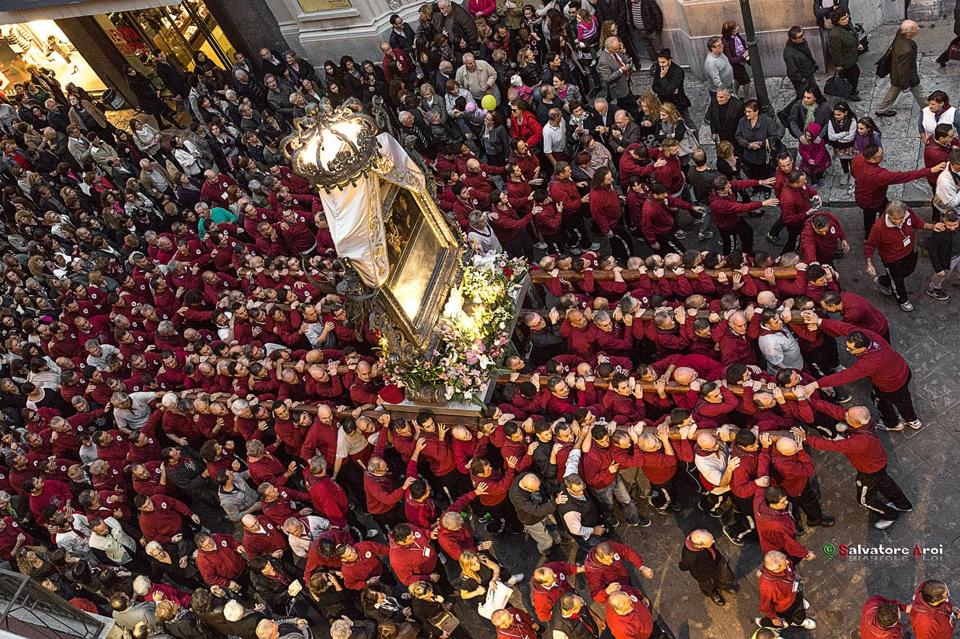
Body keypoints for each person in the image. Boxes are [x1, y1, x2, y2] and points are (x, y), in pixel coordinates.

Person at [864, 200, 943, 312]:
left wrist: (932, 226)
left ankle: (883, 281)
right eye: (894, 219)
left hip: (909, 251)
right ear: (888, 215)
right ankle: (903, 300)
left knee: (909, 270)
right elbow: (870, 245)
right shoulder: (878, 228)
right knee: (897, 281)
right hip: (891, 259)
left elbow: (916, 223)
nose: (898, 221)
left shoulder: (908, 213)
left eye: (901, 218)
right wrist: (869, 263)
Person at [851, 144, 942, 237]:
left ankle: (876, 228)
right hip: (872, 200)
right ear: (872, 159)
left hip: (864, 195)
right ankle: (871, 235)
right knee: (871, 217)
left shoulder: (858, 159)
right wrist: (930, 170)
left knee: (876, 212)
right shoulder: (879, 175)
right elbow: (903, 176)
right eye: (881, 155)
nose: (883, 155)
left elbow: (853, 173)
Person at [756, 551, 817, 630]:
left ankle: (765, 622)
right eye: (785, 562)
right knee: (796, 615)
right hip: (786, 606)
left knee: (798, 600)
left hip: (793, 593)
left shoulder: (783, 563)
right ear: (776, 570)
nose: (788, 561)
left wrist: (794, 575)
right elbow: (765, 606)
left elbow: (790, 569)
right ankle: (800, 622)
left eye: (785, 559)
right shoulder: (768, 587)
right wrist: (774, 618)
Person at [875, 20, 924, 117]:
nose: (918, 29)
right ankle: (929, 108)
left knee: (893, 91)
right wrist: (905, 86)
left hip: (896, 74)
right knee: (919, 92)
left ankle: (881, 110)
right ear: (909, 32)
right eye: (915, 28)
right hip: (907, 77)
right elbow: (903, 70)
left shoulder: (900, 34)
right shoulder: (907, 50)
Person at [678, 529, 736, 606]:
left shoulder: (702, 536)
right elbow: (683, 566)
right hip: (704, 573)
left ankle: (722, 585)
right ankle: (712, 593)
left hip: (717, 560)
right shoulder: (690, 558)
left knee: (725, 575)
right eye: (709, 542)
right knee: (708, 585)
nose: (713, 541)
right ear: (699, 546)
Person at [924, 209, 960, 301]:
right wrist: (938, 268)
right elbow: (933, 252)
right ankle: (933, 288)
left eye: (955, 225)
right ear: (944, 220)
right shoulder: (938, 233)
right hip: (947, 260)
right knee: (941, 275)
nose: (952, 228)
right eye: (949, 225)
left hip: (958, 255)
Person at [828, 8, 863, 101]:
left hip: (851, 56)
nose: (847, 19)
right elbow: (835, 51)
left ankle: (853, 90)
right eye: (843, 19)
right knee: (851, 76)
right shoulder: (835, 34)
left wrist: (858, 43)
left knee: (854, 74)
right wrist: (838, 64)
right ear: (837, 21)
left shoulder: (847, 25)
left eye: (847, 17)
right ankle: (851, 93)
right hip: (845, 61)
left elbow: (854, 35)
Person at [650, 49, 691, 122]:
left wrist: (662, 77)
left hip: (678, 102)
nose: (661, 64)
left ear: (669, 60)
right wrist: (667, 92)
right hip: (665, 103)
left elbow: (670, 90)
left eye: (663, 62)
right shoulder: (659, 68)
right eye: (659, 62)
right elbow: (654, 87)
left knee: (687, 122)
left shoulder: (677, 71)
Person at [782, 26, 819, 100]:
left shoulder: (803, 42)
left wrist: (813, 64)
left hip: (809, 74)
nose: (804, 37)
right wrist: (803, 79)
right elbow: (792, 72)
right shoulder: (789, 53)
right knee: (804, 98)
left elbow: (808, 54)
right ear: (793, 39)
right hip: (802, 81)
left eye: (803, 34)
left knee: (815, 93)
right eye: (800, 36)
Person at [597, 37, 635, 104]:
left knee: (629, 95)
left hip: (625, 80)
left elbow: (622, 58)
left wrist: (627, 62)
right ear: (609, 49)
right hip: (619, 87)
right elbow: (606, 79)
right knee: (626, 103)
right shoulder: (603, 61)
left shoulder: (616, 50)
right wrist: (620, 71)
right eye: (615, 49)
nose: (618, 50)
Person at [721, 22, 750, 100]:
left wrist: (745, 48)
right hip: (735, 65)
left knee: (738, 79)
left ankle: (735, 95)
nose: (738, 28)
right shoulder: (726, 43)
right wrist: (743, 56)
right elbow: (731, 60)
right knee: (746, 81)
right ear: (730, 31)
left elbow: (742, 42)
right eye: (735, 28)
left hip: (740, 62)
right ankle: (746, 99)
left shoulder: (736, 35)